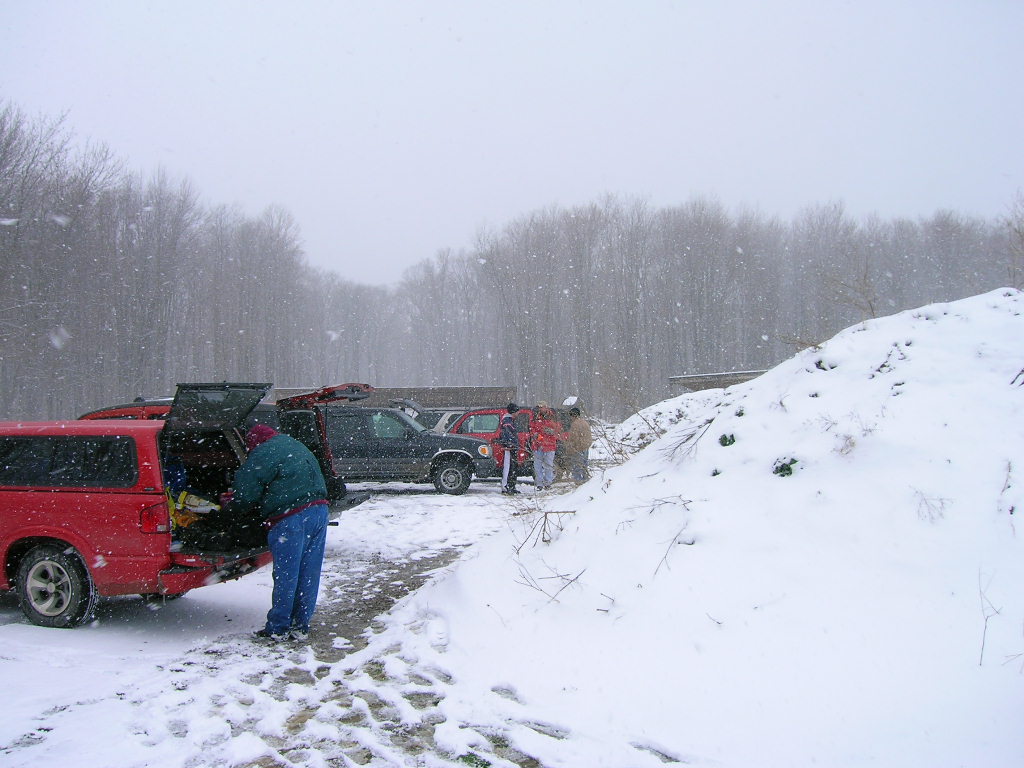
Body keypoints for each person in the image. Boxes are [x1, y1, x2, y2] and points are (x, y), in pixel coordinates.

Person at [228, 424, 331, 641]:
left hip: (292, 517)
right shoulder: (293, 443)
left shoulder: (263, 452)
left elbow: (246, 491)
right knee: (308, 571)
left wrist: (233, 508)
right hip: (319, 511)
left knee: (287, 573)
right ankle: (300, 623)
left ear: (255, 442)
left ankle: (278, 627)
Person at [529, 402, 564, 490]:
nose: (541, 409)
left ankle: (548, 483)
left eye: (542, 407)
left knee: (548, 465)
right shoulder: (535, 416)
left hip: (550, 444)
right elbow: (531, 427)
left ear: (546, 407)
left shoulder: (553, 416)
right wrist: (535, 434)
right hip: (537, 445)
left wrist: (553, 431)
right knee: (537, 465)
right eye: (539, 407)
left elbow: (559, 428)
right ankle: (539, 484)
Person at [497, 402, 521, 494]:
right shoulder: (507, 422)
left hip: (512, 447)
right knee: (508, 467)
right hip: (509, 448)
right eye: (517, 411)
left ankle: (511, 486)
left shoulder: (509, 421)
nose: (518, 413)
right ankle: (506, 486)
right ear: (513, 412)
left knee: (513, 467)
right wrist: (510, 444)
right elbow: (507, 435)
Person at [565, 406, 593, 484]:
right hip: (586, 447)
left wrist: (570, 449)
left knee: (577, 467)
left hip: (578, 448)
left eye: (570, 416)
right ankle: (586, 481)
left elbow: (574, 438)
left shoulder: (575, 425)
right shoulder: (585, 422)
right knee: (584, 466)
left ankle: (578, 483)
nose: (570, 418)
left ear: (573, 415)